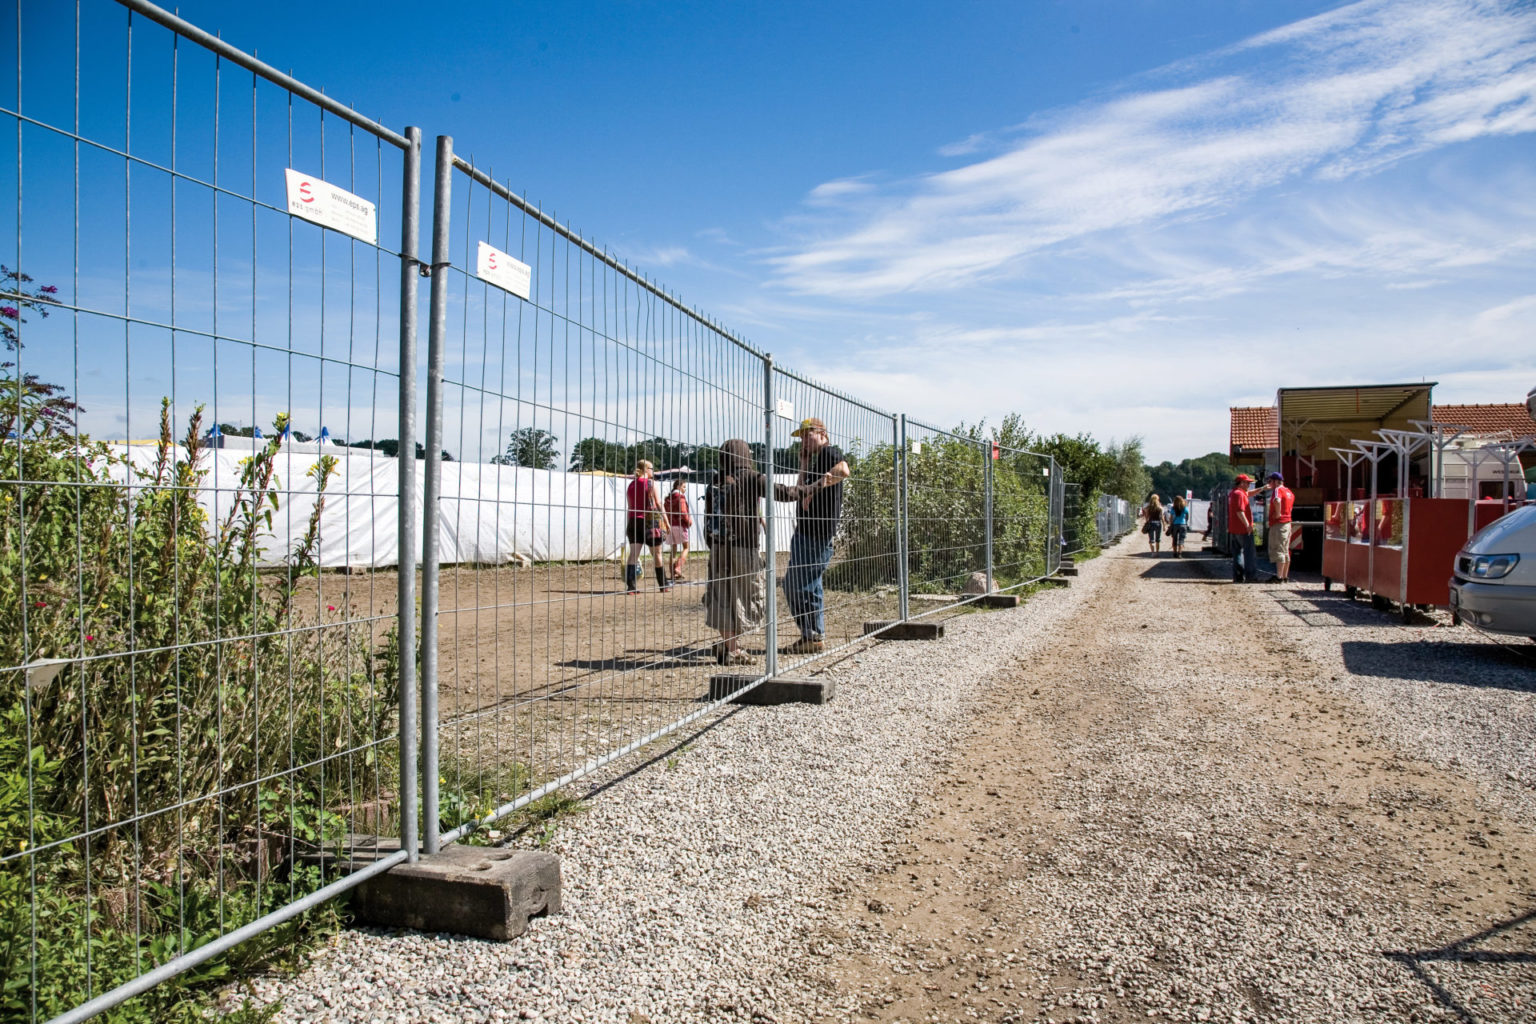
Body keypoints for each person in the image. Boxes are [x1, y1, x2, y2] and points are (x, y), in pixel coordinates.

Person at [703, 439, 803, 665]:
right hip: (744, 547)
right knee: (746, 595)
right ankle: (733, 650)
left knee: (722, 596)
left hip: (718, 546)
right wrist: (811, 488)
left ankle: (729, 645)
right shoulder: (751, 477)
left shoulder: (717, 480)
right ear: (744, 456)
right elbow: (784, 493)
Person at [783, 417, 850, 655]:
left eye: (806, 434)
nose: (803, 440)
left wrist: (820, 485)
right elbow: (801, 489)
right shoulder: (814, 460)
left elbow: (844, 470)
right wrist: (803, 463)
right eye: (800, 436)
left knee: (801, 584)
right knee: (805, 584)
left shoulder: (830, 453)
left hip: (817, 532)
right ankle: (812, 635)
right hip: (806, 530)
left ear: (821, 433)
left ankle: (813, 635)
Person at [624, 460, 671, 594]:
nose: (653, 471)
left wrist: (630, 523)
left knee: (633, 554)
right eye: (652, 468)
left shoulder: (631, 485)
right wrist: (666, 522)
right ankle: (663, 584)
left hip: (634, 521)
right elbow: (658, 503)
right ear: (646, 469)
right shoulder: (650, 484)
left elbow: (630, 506)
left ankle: (631, 587)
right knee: (657, 553)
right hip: (650, 521)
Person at [1255, 471, 1295, 582]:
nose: (1269, 483)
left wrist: (1277, 514)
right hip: (1287, 523)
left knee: (1278, 550)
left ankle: (1278, 577)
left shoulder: (1278, 490)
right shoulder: (1289, 492)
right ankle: (1285, 576)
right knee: (1285, 550)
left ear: (1276, 481)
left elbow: (1277, 500)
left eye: (1270, 481)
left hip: (1279, 524)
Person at [1227, 473, 1258, 582]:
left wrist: (1262, 488)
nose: (1249, 485)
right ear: (1241, 483)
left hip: (1234, 528)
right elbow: (1240, 511)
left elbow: (1249, 493)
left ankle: (1238, 577)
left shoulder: (1234, 493)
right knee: (1249, 553)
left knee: (1237, 554)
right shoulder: (1240, 494)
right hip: (1242, 529)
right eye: (1247, 483)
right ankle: (1251, 577)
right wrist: (1247, 525)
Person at [663, 476, 693, 581]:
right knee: (686, 547)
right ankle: (678, 568)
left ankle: (672, 574)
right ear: (678, 486)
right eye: (684, 487)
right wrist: (689, 521)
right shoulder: (680, 497)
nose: (685, 489)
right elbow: (683, 512)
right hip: (679, 525)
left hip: (669, 526)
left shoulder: (668, 498)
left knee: (673, 550)